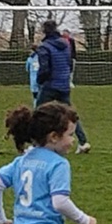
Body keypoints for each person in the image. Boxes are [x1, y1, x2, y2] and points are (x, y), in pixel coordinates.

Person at [35, 20, 90, 154]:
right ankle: (83, 142)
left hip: (50, 84)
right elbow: (69, 62)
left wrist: (40, 80)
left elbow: (44, 68)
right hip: (64, 83)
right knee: (69, 114)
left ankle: (34, 142)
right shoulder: (65, 44)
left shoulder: (45, 46)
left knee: (38, 113)